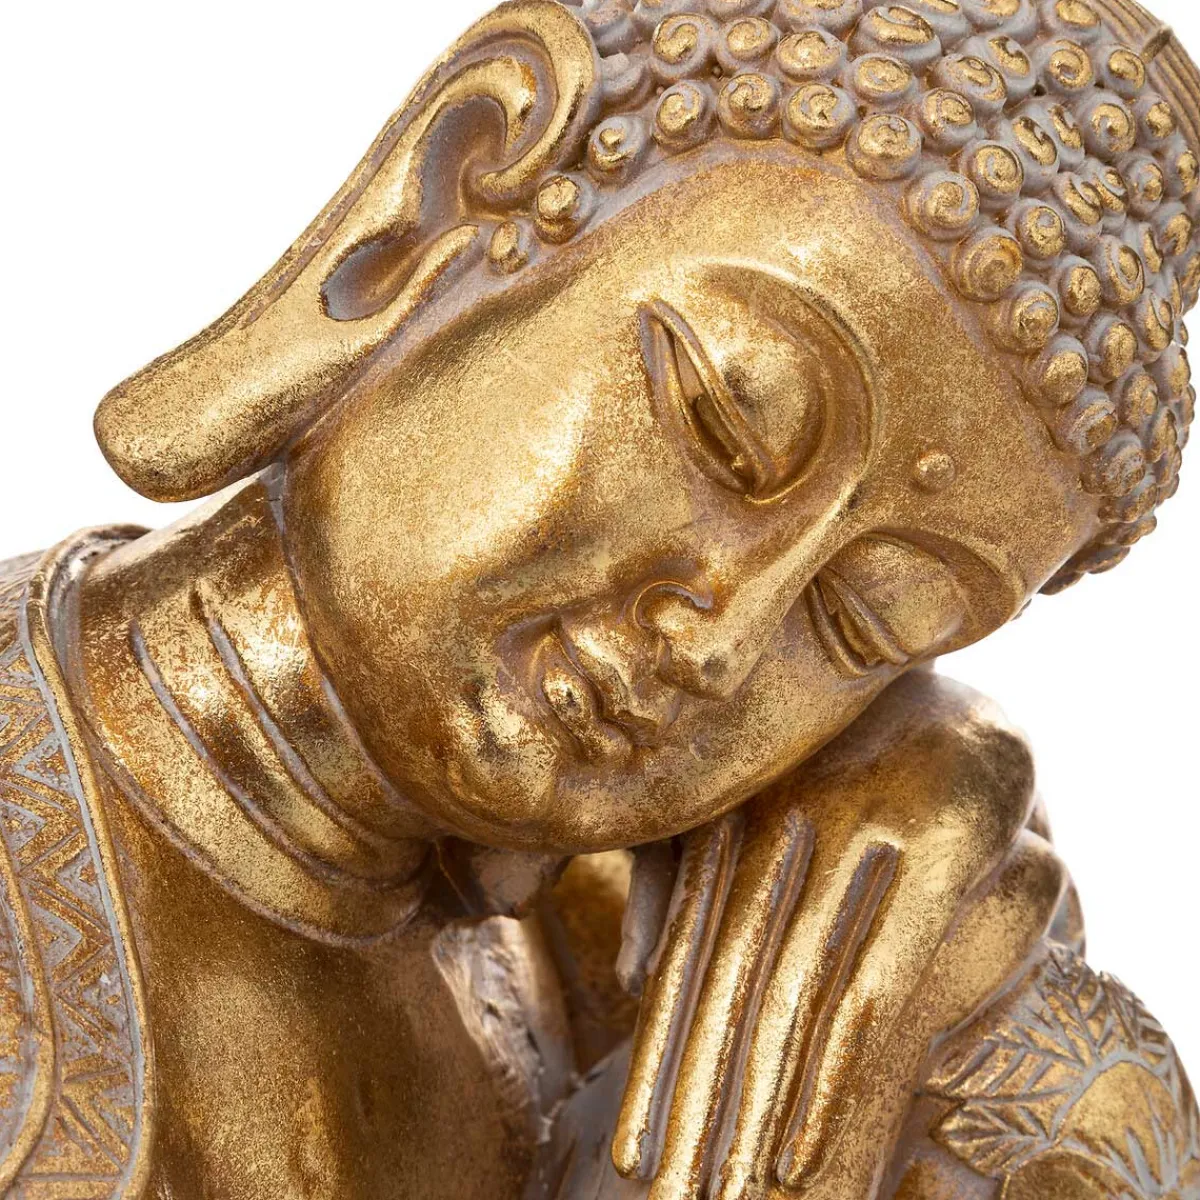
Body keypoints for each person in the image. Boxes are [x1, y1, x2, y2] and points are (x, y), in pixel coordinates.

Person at [0, 0, 1195, 1196]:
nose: (723, 638)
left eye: (866, 621)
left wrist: (922, 862)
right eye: (724, 425)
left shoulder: (596, 966)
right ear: (441, 209)